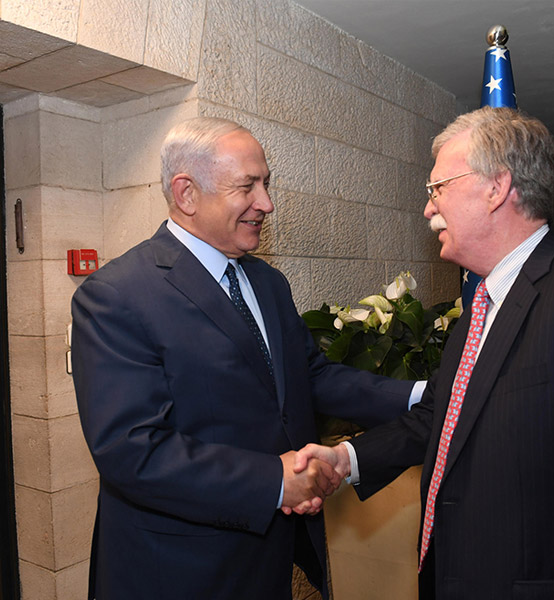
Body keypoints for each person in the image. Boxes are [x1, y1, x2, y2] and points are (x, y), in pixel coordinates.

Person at [296, 106, 554, 599]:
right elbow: (443, 417)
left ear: (496, 188)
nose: (428, 209)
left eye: (438, 188)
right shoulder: (481, 304)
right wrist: (346, 459)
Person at [70, 116, 419, 600]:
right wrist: (275, 481)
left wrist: (425, 395)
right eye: (247, 186)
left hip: (267, 556)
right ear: (187, 193)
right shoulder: (116, 295)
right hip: (177, 571)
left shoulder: (267, 283)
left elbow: (310, 377)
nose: (267, 204)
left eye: (267, 183)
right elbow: (133, 451)